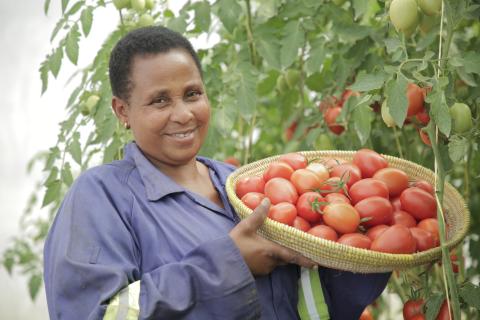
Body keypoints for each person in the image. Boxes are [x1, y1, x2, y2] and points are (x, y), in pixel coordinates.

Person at [43, 26, 390, 320]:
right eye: (160, 101)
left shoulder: (243, 184)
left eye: (192, 94)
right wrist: (227, 265)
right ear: (123, 111)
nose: (183, 114)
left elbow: (311, 303)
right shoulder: (101, 197)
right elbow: (94, 312)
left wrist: (368, 246)